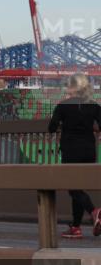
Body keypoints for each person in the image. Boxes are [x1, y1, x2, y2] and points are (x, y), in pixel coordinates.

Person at [48, 73, 101, 238]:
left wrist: (63, 125)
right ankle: (76, 227)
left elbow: (51, 127)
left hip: (71, 150)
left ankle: (94, 211)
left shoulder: (63, 106)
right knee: (78, 188)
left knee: (73, 189)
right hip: (89, 151)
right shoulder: (94, 106)